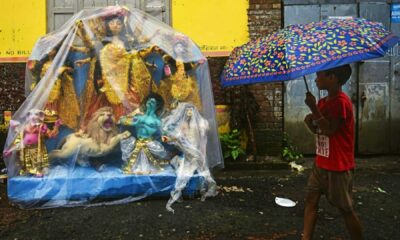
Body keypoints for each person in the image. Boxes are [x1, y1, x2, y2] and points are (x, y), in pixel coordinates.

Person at [303, 64, 363, 240]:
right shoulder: (323, 102)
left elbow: (330, 130)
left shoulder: (341, 103)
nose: (315, 79)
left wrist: (313, 109)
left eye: (319, 75)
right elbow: (319, 130)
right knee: (310, 201)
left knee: (345, 208)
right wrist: (310, 120)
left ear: (333, 78)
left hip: (338, 166)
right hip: (321, 163)